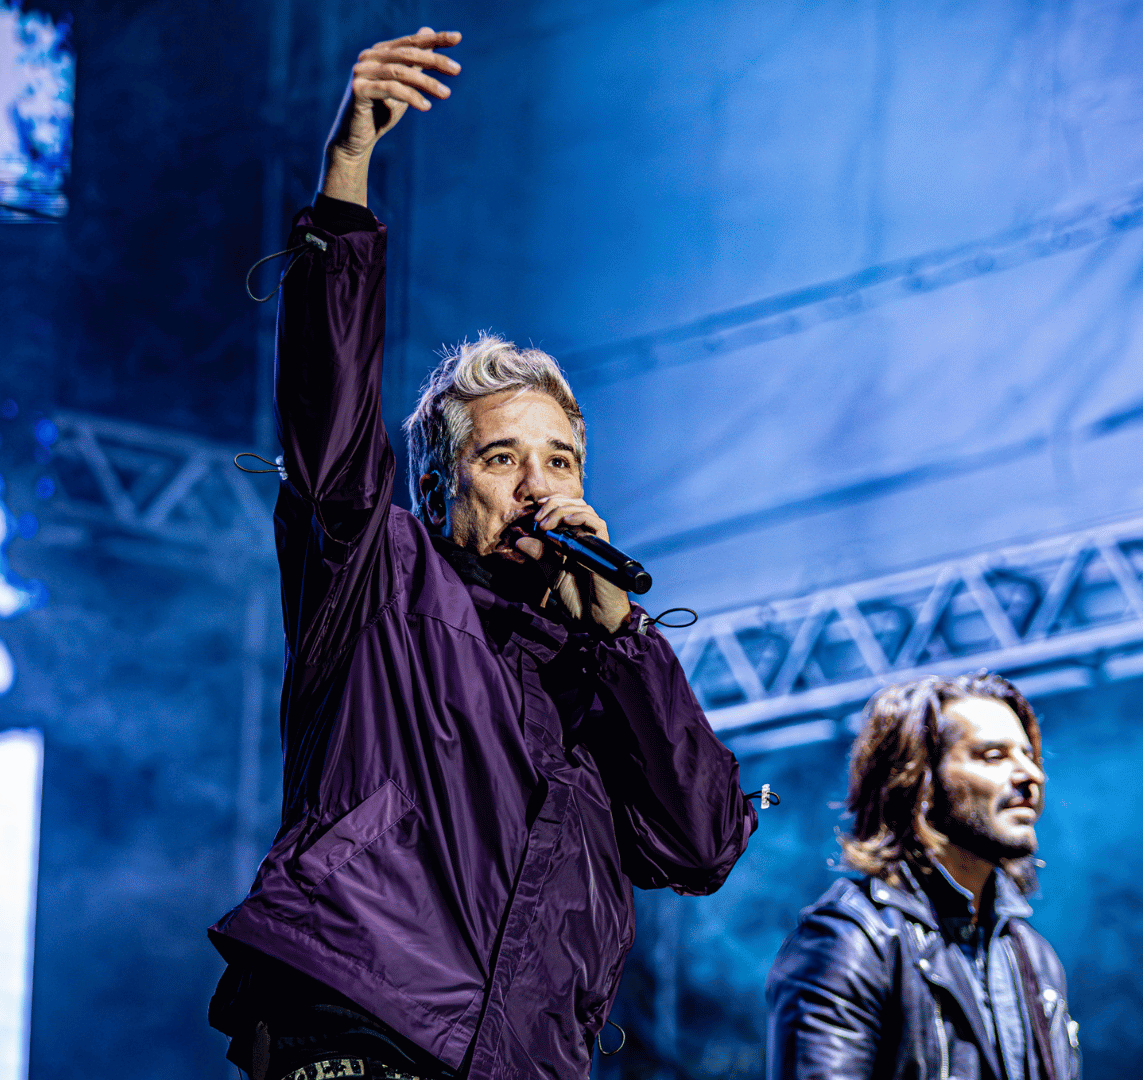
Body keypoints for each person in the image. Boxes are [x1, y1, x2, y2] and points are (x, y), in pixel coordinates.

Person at [206, 28, 757, 1080]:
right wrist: (349, 173)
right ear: (437, 484)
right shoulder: (380, 575)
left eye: (561, 459)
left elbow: (702, 842)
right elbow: (328, 425)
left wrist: (624, 639)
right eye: (502, 457)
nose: (537, 484)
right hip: (357, 1026)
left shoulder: (599, 670)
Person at [765, 673, 1081, 1080]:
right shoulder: (851, 942)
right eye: (994, 756)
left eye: (1028, 755)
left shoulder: (1033, 958)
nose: (1031, 775)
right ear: (921, 781)